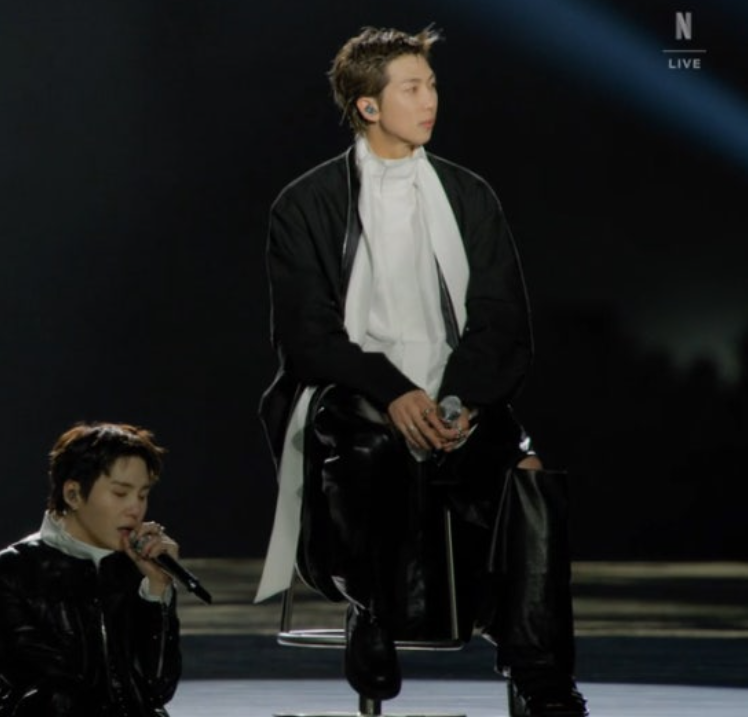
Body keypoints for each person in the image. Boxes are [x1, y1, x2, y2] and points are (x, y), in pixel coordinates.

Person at [255, 26, 587, 716]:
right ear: (368, 105)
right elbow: (307, 338)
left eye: (431, 85)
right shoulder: (307, 202)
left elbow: (502, 321)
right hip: (349, 391)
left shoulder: (468, 195)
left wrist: (458, 399)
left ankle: (541, 676)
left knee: (526, 476)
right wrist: (393, 390)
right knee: (371, 444)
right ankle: (373, 611)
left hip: (460, 393)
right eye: (412, 88)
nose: (430, 100)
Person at [0, 422, 182, 716]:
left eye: (142, 495)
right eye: (120, 493)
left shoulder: (139, 572)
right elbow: (49, 692)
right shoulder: (6, 574)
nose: (135, 509)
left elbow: (157, 688)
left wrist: (157, 592)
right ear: (73, 494)